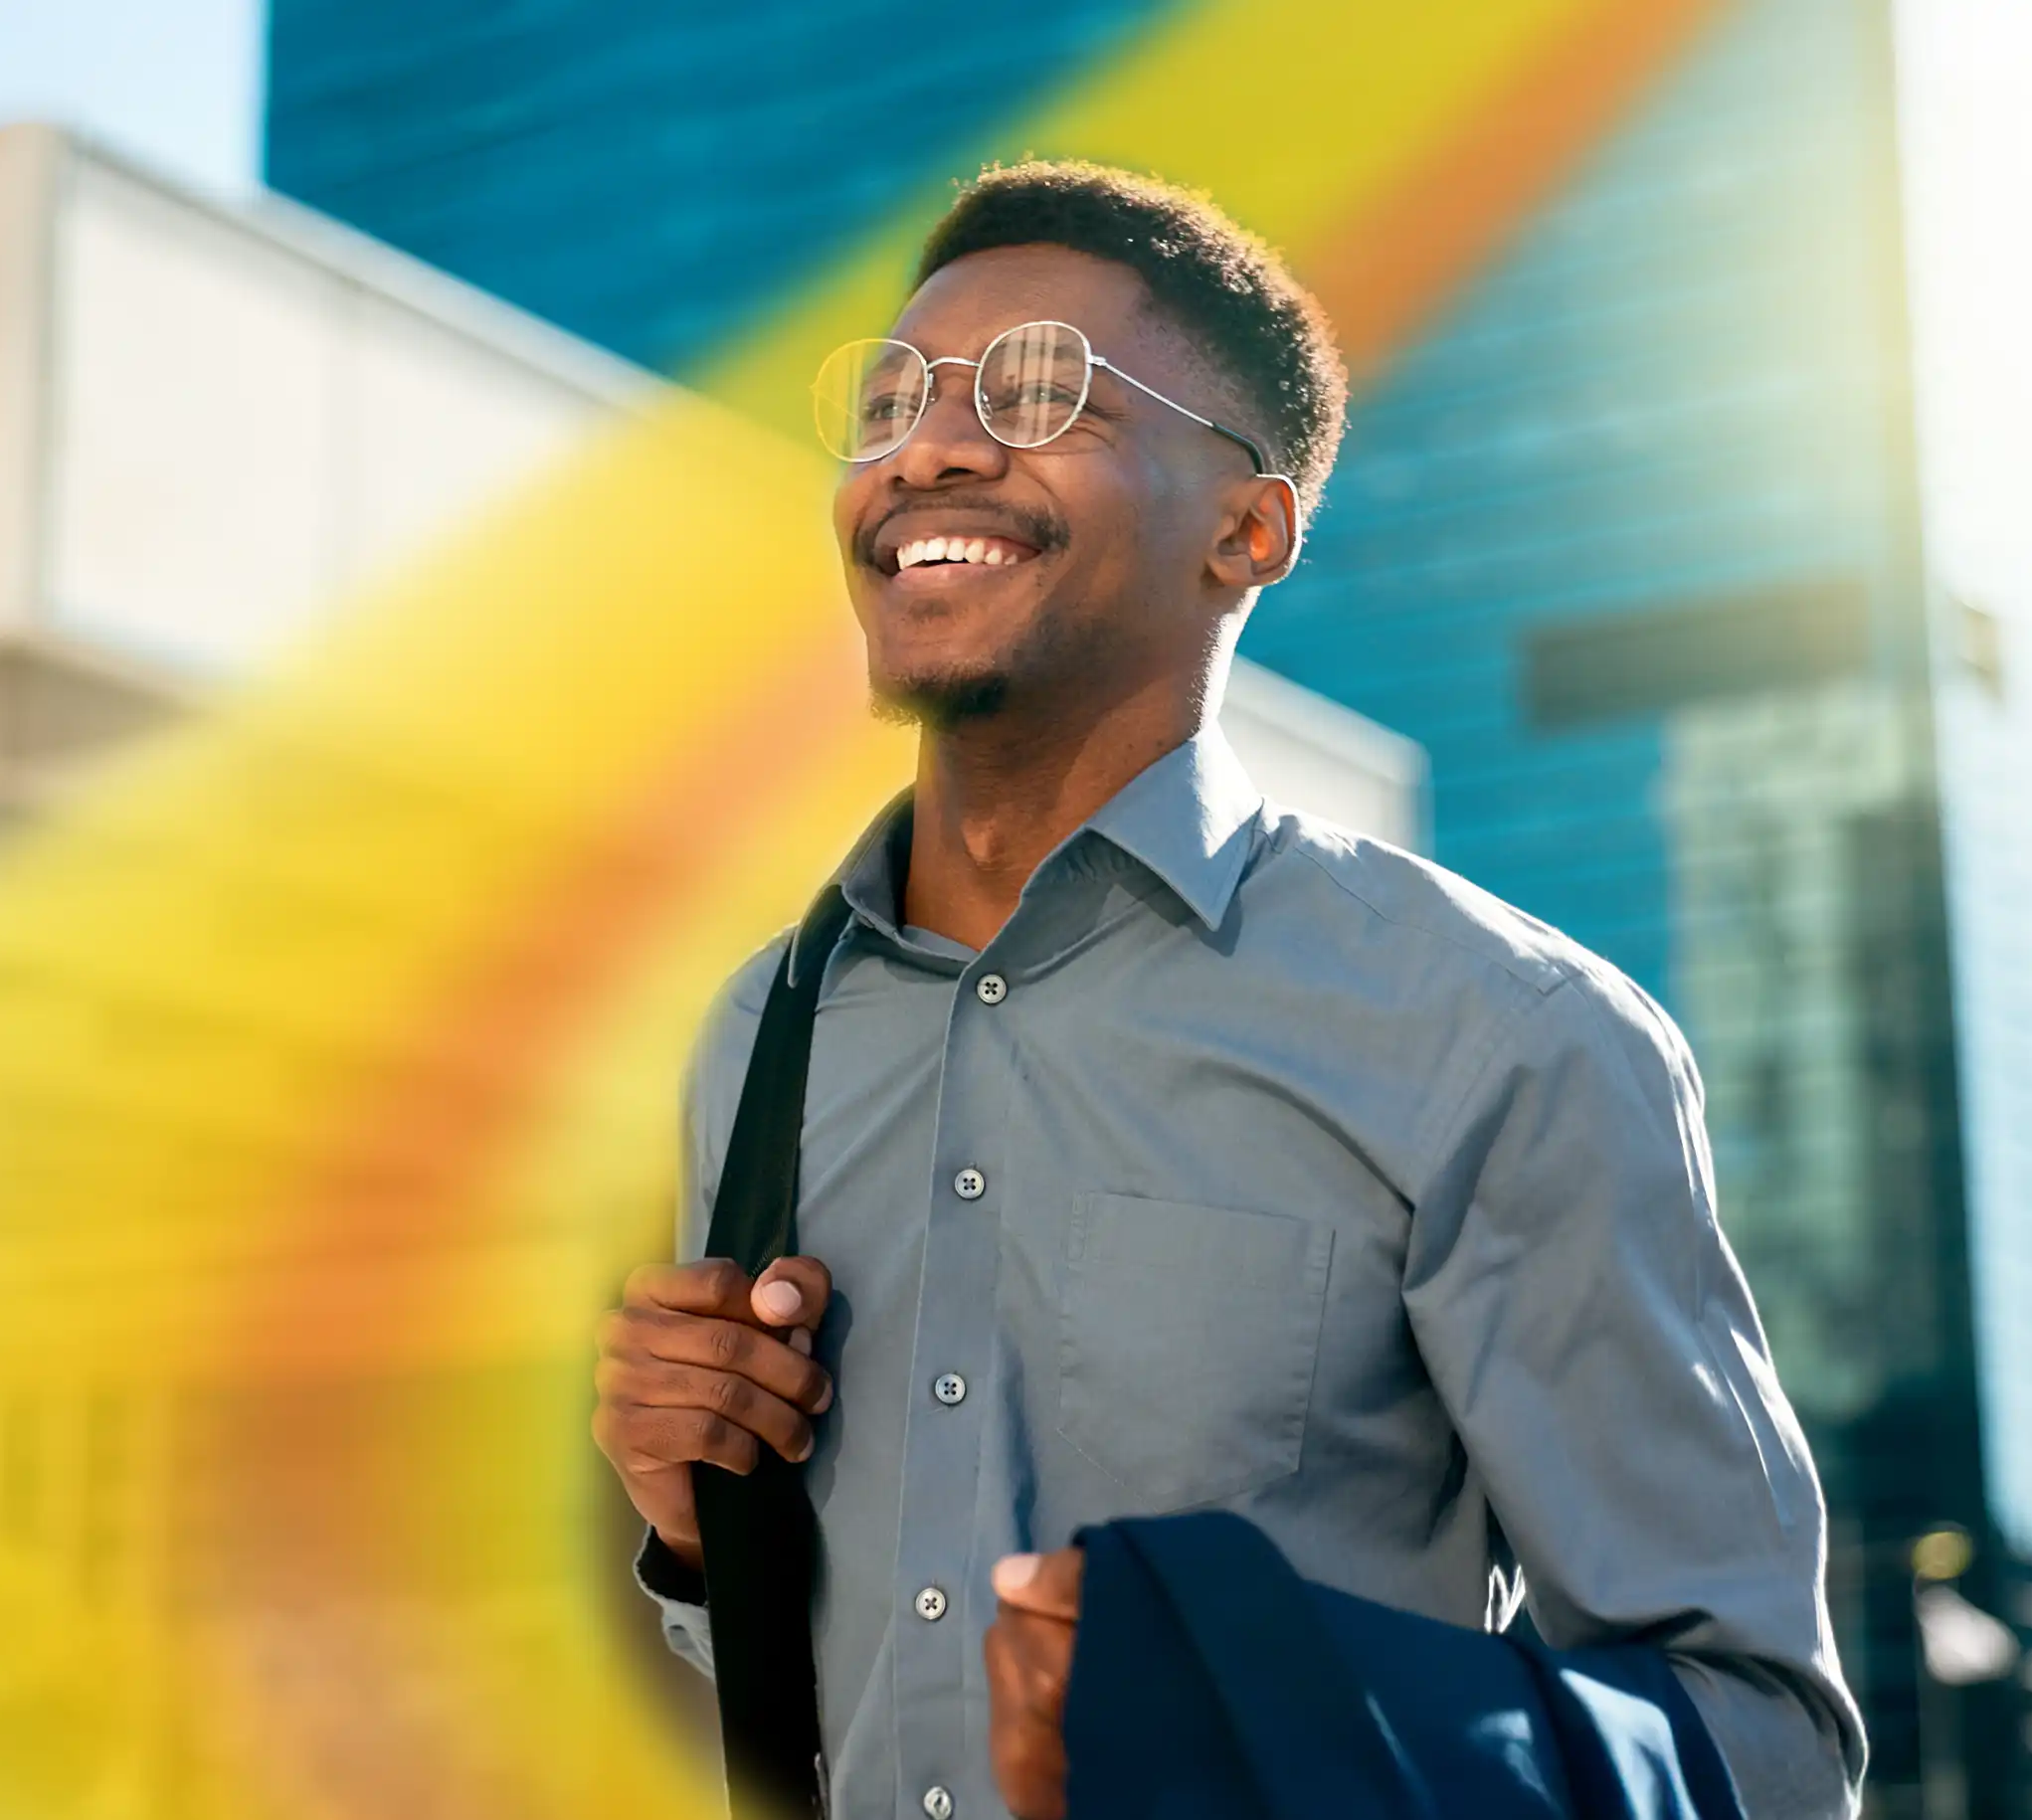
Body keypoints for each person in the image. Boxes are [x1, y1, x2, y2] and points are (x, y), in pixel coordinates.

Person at [589, 159, 1863, 1820]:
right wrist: (699, 1539)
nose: (932, 447)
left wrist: (1256, 1718)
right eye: (893, 398)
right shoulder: (762, 1033)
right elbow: (814, 1719)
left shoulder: (1505, 1033)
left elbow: (1753, 1747)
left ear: (1246, 529)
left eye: (1040, 386)